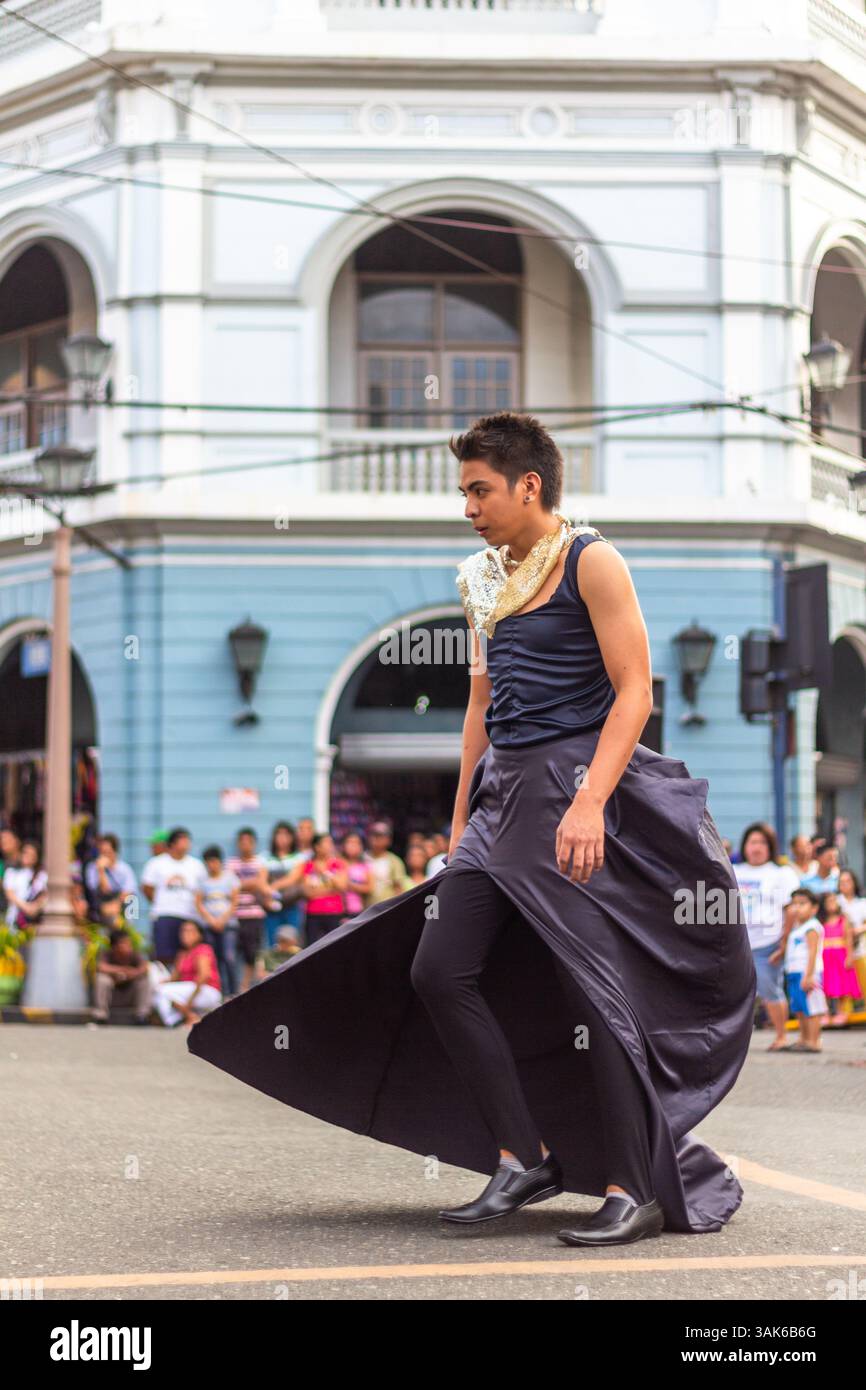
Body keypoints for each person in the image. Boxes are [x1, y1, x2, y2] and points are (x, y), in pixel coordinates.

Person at [188, 410, 756, 1246]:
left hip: (571, 792)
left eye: (479, 489)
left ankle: (632, 1186)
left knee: (594, 991)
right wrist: (461, 825)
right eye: (464, 491)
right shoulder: (482, 578)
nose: (468, 506)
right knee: (439, 967)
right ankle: (522, 1155)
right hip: (501, 804)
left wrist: (592, 800)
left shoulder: (593, 560)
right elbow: (480, 711)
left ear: (530, 485)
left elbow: (635, 690)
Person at [731, 822, 800, 1052]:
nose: (756, 847)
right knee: (735, 995)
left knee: (771, 990)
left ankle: (781, 1036)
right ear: (745, 846)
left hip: (767, 943)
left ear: (770, 847)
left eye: (761, 842)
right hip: (738, 944)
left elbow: (791, 909)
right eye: (752, 842)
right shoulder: (735, 871)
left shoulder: (781, 873)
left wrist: (783, 942)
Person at [140, 827, 203, 964]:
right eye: (183, 840)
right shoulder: (157, 863)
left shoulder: (196, 865)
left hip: (188, 916)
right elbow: (147, 888)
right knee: (163, 954)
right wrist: (161, 902)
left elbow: (201, 891)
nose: (187, 844)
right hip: (164, 914)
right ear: (173, 843)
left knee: (186, 955)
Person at [226, 828, 271, 993]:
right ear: (238, 844)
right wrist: (252, 884)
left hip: (255, 914)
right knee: (231, 955)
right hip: (234, 915)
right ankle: (232, 989)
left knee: (251, 954)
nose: (245, 845)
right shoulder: (230, 863)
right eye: (242, 841)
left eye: (248, 841)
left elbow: (263, 886)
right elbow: (229, 886)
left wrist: (240, 884)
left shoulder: (260, 863)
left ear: (254, 843)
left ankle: (244, 988)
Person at [153, 920, 221, 1027]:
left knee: (163, 991)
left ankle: (180, 1019)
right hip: (188, 990)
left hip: (206, 991)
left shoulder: (203, 949)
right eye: (183, 931)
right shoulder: (182, 954)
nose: (186, 934)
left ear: (199, 935)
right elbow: (174, 978)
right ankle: (185, 1019)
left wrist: (189, 1002)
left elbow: (204, 976)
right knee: (159, 990)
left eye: (190, 931)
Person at [782, 888, 826, 1053]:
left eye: (802, 904)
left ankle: (814, 1041)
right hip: (794, 972)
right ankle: (804, 1038)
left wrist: (808, 975)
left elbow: (813, 951)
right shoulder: (797, 927)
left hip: (807, 973)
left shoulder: (812, 927)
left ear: (814, 908)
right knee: (800, 1008)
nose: (797, 908)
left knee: (812, 1008)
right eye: (794, 904)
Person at [195, 846, 241, 997]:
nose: (211, 865)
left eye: (214, 861)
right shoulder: (202, 880)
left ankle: (234, 992)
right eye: (208, 862)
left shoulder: (230, 878)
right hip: (209, 926)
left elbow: (234, 901)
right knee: (214, 959)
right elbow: (199, 902)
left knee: (229, 957)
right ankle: (219, 991)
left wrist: (222, 919)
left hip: (228, 925)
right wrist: (211, 920)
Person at [817, 889, 860, 1026]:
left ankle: (842, 1012)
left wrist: (849, 956)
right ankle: (826, 1013)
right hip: (825, 956)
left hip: (839, 955)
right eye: (829, 901)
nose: (832, 904)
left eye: (834, 900)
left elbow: (848, 939)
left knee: (841, 985)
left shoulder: (844, 919)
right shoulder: (821, 921)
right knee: (826, 985)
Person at [93, 928, 152, 1024]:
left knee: (144, 980)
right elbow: (101, 967)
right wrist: (123, 970)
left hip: (130, 994)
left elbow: (145, 968)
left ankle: (142, 1015)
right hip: (112, 995)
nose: (128, 946)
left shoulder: (134, 954)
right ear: (114, 946)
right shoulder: (107, 954)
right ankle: (101, 1016)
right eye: (125, 943)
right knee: (102, 979)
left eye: (129, 943)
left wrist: (130, 975)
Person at [263, 821, 308, 948]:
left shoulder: (299, 857)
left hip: (292, 905)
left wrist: (272, 887)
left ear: (292, 838)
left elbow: (293, 878)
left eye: (286, 835)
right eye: (279, 834)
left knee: (293, 942)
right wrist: (266, 894)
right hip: (271, 906)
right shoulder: (266, 857)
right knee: (274, 943)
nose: (282, 838)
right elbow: (261, 880)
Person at [300, 833, 350, 944]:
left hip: (334, 912)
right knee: (311, 947)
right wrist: (331, 890)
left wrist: (324, 872)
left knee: (334, 946)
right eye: (327, 842)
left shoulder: (338, 864)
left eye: (331, 842)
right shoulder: (308, 865)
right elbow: (308, 892)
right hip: (313, 913)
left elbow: (342, 887)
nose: (331, 845)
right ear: (317, 847)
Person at [84, 834, 138, 929]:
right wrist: (101, 871)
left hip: (120, 904)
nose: (105, 856)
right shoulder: (92, 868)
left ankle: (129, 930)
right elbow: (103, 890)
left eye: (108, 852)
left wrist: (116, 905)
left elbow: (128, 891)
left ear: (115, 852)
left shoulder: (125, 869)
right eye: (102, 852)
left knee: (132, 901)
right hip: (102, 905)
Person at [2, 840, 47, 928]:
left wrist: (35, 907)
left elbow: (44, 895)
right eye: (26, 853)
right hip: (14, 918)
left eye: (32, 854)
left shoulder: (42, 875)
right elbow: (10, 894)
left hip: (33, 921)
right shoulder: (12, 872)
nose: (28, 856)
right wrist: (26, 907)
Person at [838, 868, 866, 1006]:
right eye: (841, 882)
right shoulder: (836, 902)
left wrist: (857, 930)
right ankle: (844, 1013)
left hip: (860, 948)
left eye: (848, 881)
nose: (845, 884)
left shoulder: (862, 903)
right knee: (843, 984)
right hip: (840, 950)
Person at [366, 821, 406, 904]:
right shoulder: (362, 858)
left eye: (380, 836)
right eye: (373, 835)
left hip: (386, 909)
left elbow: (399, 889)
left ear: (388, 840)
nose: (376, 838)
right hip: (364, 911)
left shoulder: (394, 861)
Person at [339, 830, 373, 922]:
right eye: (349, 842)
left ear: (361, 847)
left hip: (358, 911)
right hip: (338, 911)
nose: (352, 846)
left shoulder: (365, 866)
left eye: (356, 843)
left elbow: (369, 888)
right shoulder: (337, 863)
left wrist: (348, 884)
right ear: (343, 845)